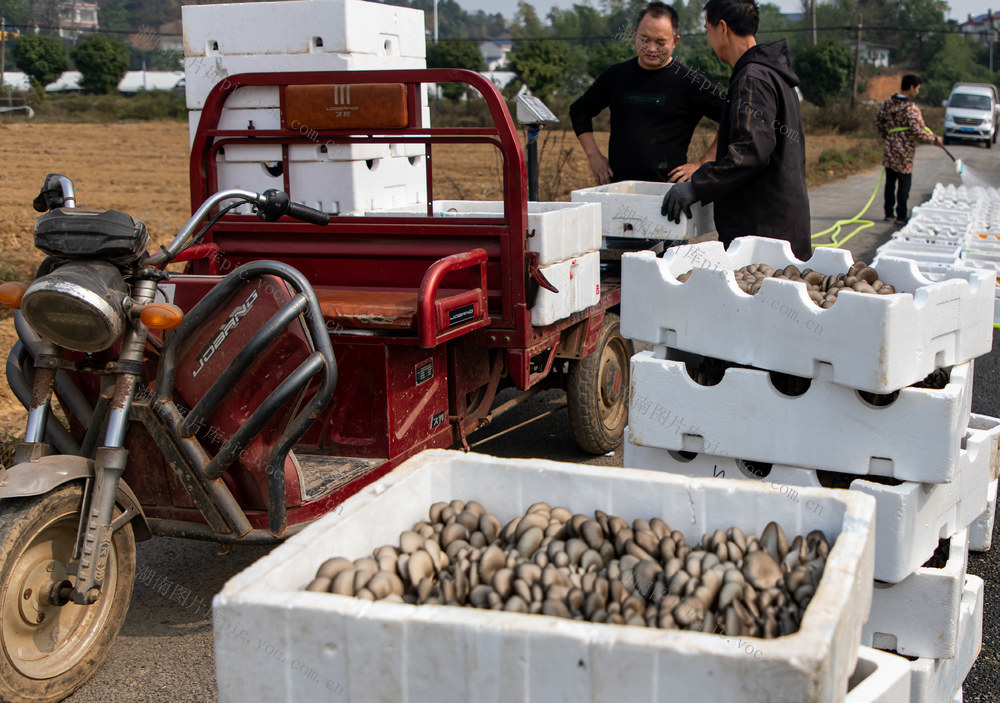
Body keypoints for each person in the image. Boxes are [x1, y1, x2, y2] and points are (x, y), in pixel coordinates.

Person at [660, 0, 811, 260]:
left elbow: (751, 152)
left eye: (707, 29)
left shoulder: (752, 78)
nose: (709, 38)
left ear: (722, 28)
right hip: (781, 223)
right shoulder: (772, 74)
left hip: (762, 231)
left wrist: (698, 185)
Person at [569, 2, 726, 185]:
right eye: (645, 39)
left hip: (668, 193)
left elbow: (732, 117)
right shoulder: (616, 76)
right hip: (618, 188)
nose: (651, 49)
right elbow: (579, 110)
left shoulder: (690, 81)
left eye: (660, 43)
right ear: (635, 34)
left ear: (675, 41)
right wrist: (593, 156)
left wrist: (702, 163)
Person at [875, 74, 942, 225]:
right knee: (904, 183)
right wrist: (934, 140)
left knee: (890, 181)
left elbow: (878, 120)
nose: (917, 91)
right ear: (911, 87)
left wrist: (886, 135)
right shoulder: (910, 107)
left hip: (890, 147)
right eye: (917, 88)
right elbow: (917, 129)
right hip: (904, 150)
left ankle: (888, 212)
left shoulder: (888, 103)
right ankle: (901, 215)